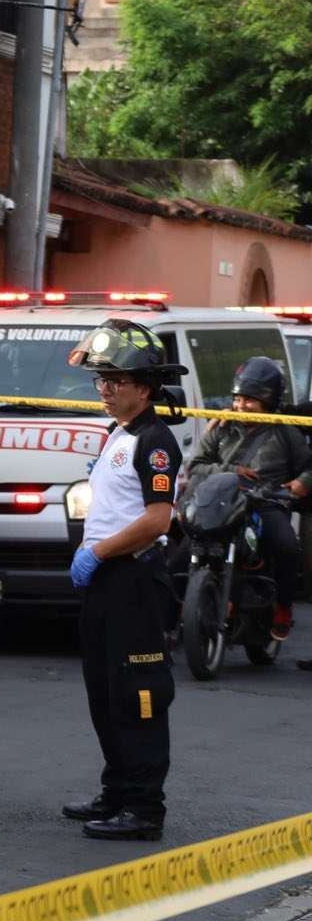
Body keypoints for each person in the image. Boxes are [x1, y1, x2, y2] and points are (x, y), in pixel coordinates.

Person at [60, 320, 185, 842]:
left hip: (133, 579)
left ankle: (144, 808)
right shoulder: (119, 432)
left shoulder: (154, 442)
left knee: (138, 694)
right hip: (107, 579)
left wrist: (99, 552)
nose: (105, 389)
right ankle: (116, 791)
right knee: (105, 691)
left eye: (116, 380)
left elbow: (158, 520)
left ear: (145, 387)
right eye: (101, 379)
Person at [181, 355, 308, 645]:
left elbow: (308, 466)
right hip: (222, 504)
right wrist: (231, 470)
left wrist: (303, 482)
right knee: (180, 553)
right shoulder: (221, 427)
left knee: (287, 547)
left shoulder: (287, 431)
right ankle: (176, 614)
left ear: (269, 401)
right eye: (238, 399)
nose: (241, 405)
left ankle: (283, 608)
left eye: (250, 400)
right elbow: (196, 466)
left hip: (266, 503)